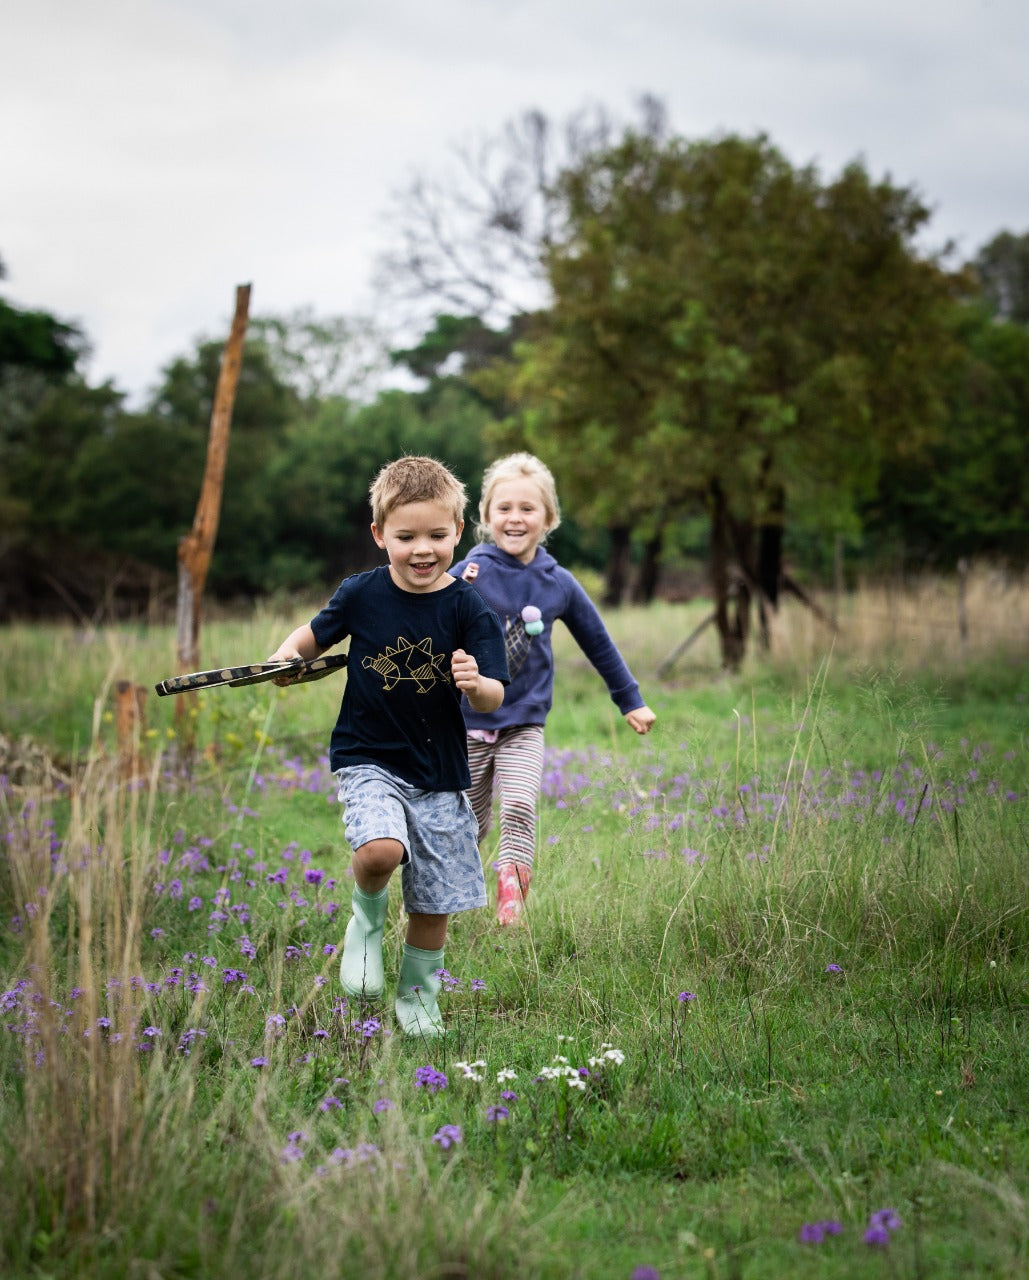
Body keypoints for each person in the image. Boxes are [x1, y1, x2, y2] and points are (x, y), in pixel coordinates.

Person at [268, 456, 508, 1038]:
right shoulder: (361, 594)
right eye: (406, 537)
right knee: (379, 851)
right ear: (380, 535)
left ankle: (418, 997)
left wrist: (476, 685)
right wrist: (283, 658)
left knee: (433, 903)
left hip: (439, 770)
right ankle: (366, 925)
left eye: (437, 535)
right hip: (368, 756)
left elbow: (494, 699)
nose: (422, 549)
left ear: (458, 533)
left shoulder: (468, 608)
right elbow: (312, 634)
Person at [453, 452, 656, 925]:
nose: (515, 518)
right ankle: (442, 900)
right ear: (485, 516)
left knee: (521, 804)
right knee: (469, 822)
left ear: (549, 518)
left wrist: (631, 700)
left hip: (525, 720)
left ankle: (511, 900)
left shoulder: (558, 582)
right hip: (466, 721)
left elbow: (598, 642)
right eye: (504, 508)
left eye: (528, 508)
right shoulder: (468, 573)